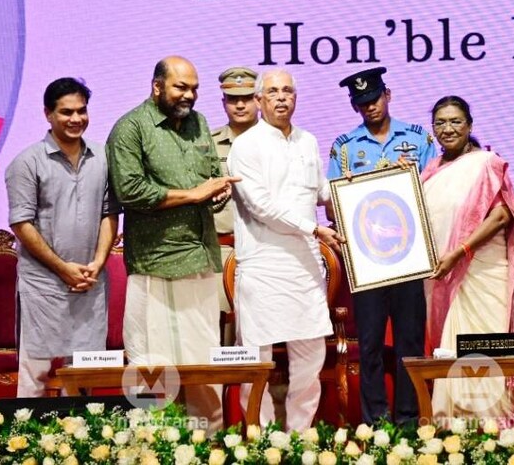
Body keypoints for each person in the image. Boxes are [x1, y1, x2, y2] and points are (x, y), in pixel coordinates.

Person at [106, 56, 239, 430]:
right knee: (151, 369)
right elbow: (131, 191)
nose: (190, 95)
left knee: (203, 365)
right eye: (181, 86)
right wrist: (196, 194)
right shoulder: (131, 128)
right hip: (155, 265)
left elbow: (213, 176)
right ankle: (155, 445)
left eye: (194, 88)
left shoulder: (198, 124)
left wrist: (217, 193)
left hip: (199, 260)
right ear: (157, 86)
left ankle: (210, 444)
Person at [228, 69, 344, 431]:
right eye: (273, 91)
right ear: (259, 100)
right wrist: (314, 228)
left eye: (288, 91)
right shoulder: (246, 146)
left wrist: (370, 187)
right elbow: (261, 206)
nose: (281, 97)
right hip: (264, 264)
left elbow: (323, 191)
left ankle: (298, 435)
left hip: (305, 265)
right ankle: (258, 438)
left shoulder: (308, 141)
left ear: (296, 97)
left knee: (311, 356)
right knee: (257, 360)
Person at [327, 66, 436, 426]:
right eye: (361, 103)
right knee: (370, 344)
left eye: (374, 99)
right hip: (368, 262)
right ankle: (375, 423)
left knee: (410, 343)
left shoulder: (419, 139)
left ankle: (408, 419)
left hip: (409, 260)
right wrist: (345, 192)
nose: (369, 107)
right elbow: (331, 203)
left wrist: (413, 178)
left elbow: (434, 191)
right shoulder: (344, 148)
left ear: (387, 95)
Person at [422, 96, 514, 419]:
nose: (448, 129)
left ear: (470, 125)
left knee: (483, 354)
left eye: (455, 121)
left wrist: (461, 252)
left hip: (482, 273)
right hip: (443, 277)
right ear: (432, 130)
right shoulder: (430, 171)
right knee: (450, 352)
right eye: (440, 123)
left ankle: (495, 435)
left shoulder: (486, 163)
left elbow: (501, 216)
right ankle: (453, 433)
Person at [5, 78, 118, 397]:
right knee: (35, 374)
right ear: (48, 114)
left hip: (90, 283)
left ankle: (81, 445)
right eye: (66, 112)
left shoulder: (104, 156)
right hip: (44, 285)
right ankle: (23, 444)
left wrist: (96, 264)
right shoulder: (26, 162)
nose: (76, 119)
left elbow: (109, 213)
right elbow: (22, 223)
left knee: (84, 374)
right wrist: (62, 268)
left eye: (82, 111)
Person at [210, 66, 259, 346]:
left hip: (264, 249)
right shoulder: (207, 144)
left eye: (247, 97)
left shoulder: (276, 142)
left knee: (265, 334)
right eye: (232, 98)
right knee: (220, 339)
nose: (240, 104)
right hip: (223, 250)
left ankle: (265, 393)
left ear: (259, 99)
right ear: (223, 102)